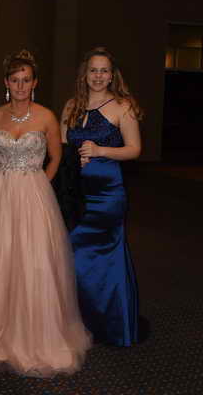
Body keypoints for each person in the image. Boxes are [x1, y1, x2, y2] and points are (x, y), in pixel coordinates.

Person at [0, 50, 91, 377]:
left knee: (35, 261)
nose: (20, 85)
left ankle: (39, 335)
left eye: (26, 80)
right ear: (6, 83)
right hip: (0, 194)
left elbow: (56, 158)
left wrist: (38, 183)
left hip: (35, 194)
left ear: (35, 83)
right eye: (15, 80)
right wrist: (3, 178)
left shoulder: (46, 117)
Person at [62, 47, 143, 347]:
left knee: (108, 258)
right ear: (85, 74)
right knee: (73, 255)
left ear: (112, 75)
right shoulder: (71, 106)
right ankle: (80, 323)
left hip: (108, 194)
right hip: (75, 193)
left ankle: (113, 325)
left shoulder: (123, 106)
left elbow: (134, 149)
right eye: (93, 70)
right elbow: (61, 147)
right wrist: (73, 159)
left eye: (104, 71)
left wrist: (100, 151)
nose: (98, 76)